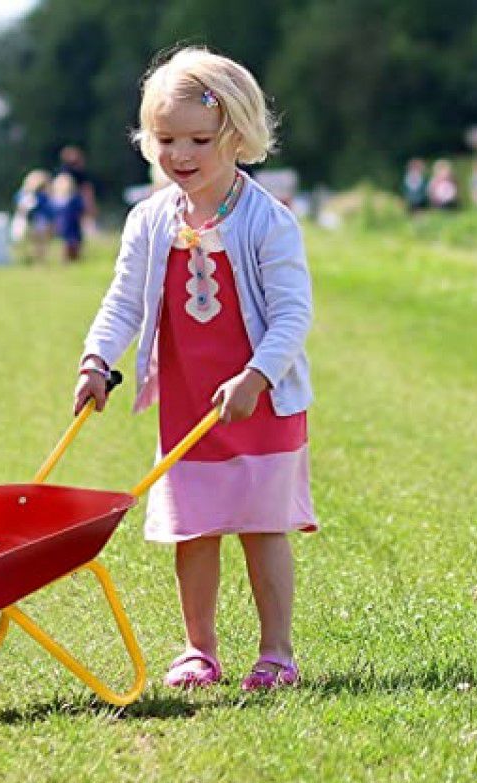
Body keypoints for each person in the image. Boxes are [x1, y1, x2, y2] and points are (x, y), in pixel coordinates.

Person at [72, 46, 317, 692]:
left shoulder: (269, 223)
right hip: (189, 404)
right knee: (195, 528)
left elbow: (293, 316)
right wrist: (97, 359)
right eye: (166, 139)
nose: (180, 154)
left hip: (259, 404)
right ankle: (198, 649)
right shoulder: (151, 221)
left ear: (236, 135)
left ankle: (277, 653)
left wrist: (257, 378)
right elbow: (123, 300)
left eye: (198, 140)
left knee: (263, 528)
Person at [11, 169, 54, 263]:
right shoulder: (24, 194)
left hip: (36, 220)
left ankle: (37, 259)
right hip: (27, 220)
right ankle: (28, 258)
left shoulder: (41, 196)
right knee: (25, 241)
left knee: (38, 241)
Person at [57, 145, 98, 237]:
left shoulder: (62, 174)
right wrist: (90, 206)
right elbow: (86, 191)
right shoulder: (77, 175)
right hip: (76, 206)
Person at [50, 172, 85, 262]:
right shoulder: (57, 200)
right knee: (68, 247)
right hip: (66, 226)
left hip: (67, 226)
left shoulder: (72, 199)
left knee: (69, 247)